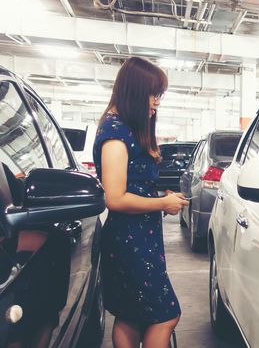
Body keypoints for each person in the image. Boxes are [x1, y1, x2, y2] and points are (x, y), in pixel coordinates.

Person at [93, 56, 188, 348]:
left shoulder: (125, 128)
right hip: (129, 241)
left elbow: (133, 189)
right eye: (153, 94)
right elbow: (116, 198)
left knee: (131, 317)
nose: (156, 102)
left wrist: (162, 198)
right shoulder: (115, 133)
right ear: (134, 91)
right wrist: (162, 204)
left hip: (140, 238)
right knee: (165, 316)